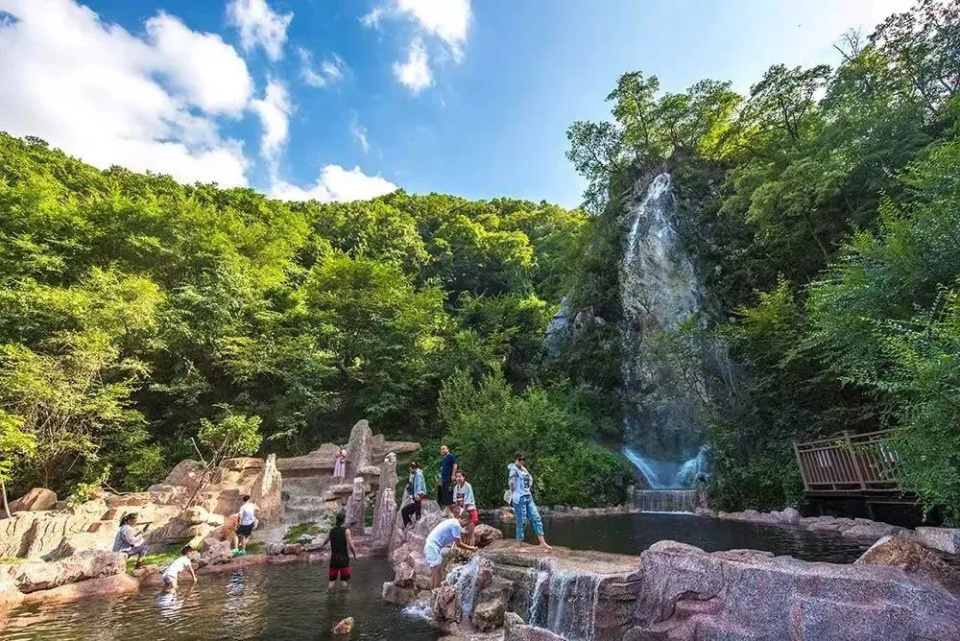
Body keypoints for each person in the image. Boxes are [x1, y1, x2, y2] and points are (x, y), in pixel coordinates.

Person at [423, 504, 477, 588]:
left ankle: (433, 594)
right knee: (437, 572)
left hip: (431, 546)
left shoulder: (453, 521)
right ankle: (437, 593)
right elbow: (459, 543)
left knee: (435, 572)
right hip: (432, 547)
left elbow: (457, 539)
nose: (466, 525)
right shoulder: (456, 525)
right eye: (467, 522)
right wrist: (471, 548)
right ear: (464, 519)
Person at [508, 452, 550, 548]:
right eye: (519, 460)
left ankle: (542, 543)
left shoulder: (524, 469)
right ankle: (519, 545)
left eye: (523, 460)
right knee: (521, 521)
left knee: (536, 517)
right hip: (519, 498)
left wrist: (527, 488)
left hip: (528, 496)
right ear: (515, 459)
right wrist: (517, 491)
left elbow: (530, 479)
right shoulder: (513, 470)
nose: (521, 461)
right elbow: (511, 484)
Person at [317, 512, 357, 591]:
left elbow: (325, 542)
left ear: (336, 520)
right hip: (343, 559)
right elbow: (351, 546)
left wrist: (319, 546)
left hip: (334, 560)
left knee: (332, 581)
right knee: (343, 580)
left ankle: (329, 596)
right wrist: (354, 555)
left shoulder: (331, 531)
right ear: (343, 520)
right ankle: (342, 599)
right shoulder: (346, 531)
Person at [453, 469, 478, 546]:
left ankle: (471, 551)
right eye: (457, 477)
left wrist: (461, 514)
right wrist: (457, 514)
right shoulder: (456, 488)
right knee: (461, 533)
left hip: (469, 510)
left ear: (464, 477)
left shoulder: (468, 486)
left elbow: (467, 502)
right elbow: (455, 502)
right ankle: (464, 551)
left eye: (460, 476)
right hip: (461, 512)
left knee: (471, 534)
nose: (458, 478)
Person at [401, 461, 427, 529]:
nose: (410, 471)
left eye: (410, 469)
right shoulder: (415, 474)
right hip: (416, 497)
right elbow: (412, 484)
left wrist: (417, 494)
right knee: (404, 510)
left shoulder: (418, 475)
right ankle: (408, 523)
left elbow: (419, 485)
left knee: (415, 505)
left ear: (414, 468)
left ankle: (417, 518)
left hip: (419, 495)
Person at [438, 444, 458, 508]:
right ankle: (448, 510)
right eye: (441, 449)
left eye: (443, 449)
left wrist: (453, 475)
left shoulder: (450, 456)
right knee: (445, 496)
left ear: (448, 449)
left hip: (449, 479)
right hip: (444, 480)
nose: (442, 450)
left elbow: (455, 465)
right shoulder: (444, 458)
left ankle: (452, 512)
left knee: (450, 496)